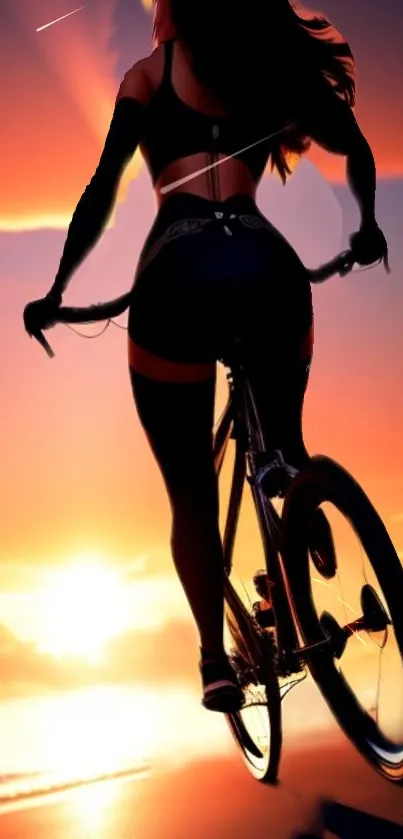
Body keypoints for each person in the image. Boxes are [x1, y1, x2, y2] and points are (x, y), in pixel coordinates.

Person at [25, 0, 389, 713]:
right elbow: (355, 146)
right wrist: (369, 223)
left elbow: (103, 188)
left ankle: (213, 659)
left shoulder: (144, 75)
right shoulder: (269, 63)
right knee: (285, 440)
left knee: (190, 489)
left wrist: (58, 288)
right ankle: (298, 482)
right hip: (265, 268)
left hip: (176, 275)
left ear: (171, 10)